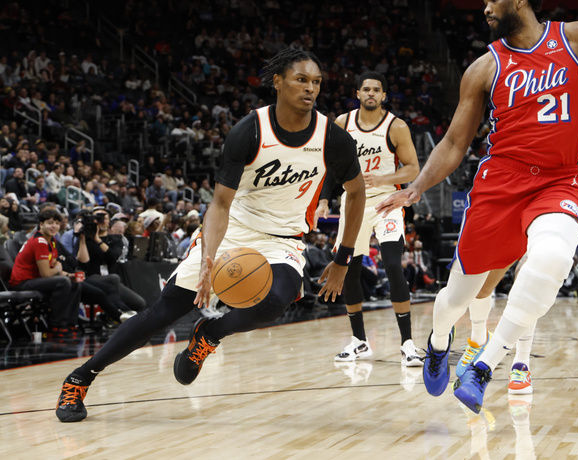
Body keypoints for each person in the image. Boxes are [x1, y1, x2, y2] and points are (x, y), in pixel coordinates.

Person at [377, 0, 578, 413]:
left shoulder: (576, 36)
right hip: (500, 184)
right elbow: (455, 141)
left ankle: (484, 366)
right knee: (456, 298)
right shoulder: (483, 68)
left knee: (552, 259)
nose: (486, 9)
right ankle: (438, 343)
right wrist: (417, 186)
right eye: (483, 3)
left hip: (559, 181)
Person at [55, 48, 366, 422]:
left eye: (316, 82)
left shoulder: (332, 137)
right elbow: (219, 205)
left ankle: (208, 336)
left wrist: (343, 259)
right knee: (163, 313)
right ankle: (79, 378)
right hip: (234, 228)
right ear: (278, 82)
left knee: (277, 299)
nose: (311, 89)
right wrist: (207, 261)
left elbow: (358, 191)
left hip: (283, 238)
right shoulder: (249, 131)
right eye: (302, 80)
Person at [455, 54, 578, 394]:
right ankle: (476, 338)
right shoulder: (519, 93)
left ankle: (521, 362)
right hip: (508, 189)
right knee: (483, 281)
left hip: (550, 194)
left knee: (531, 275)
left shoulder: (571, 100)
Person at [317, 71, 422, 366]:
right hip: (353, 202)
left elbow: (412, 169)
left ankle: (408, 343)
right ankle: (359, 341)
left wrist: (384, 178)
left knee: (392, 264)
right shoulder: (342, 124)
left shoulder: (396, 126)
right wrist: (324, 199)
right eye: (367, 89)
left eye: (377, 89)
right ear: (358, 94)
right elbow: (329, 165)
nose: (372, 94)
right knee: (348, 267)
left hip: (387, 201)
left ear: (384, 96)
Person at [9, 208, 81, 335]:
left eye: (57, 223)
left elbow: (52, 269)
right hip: (22, 282)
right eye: (50, 223)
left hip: (35, 279)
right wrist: (58, 269)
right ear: (41, 224)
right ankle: (56, 325)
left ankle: (70, 323)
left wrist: (69, 274)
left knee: (75, 282)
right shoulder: (39, 241)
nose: (54, 226)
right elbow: (46, 274)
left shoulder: (52, 241)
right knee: (63, 283)